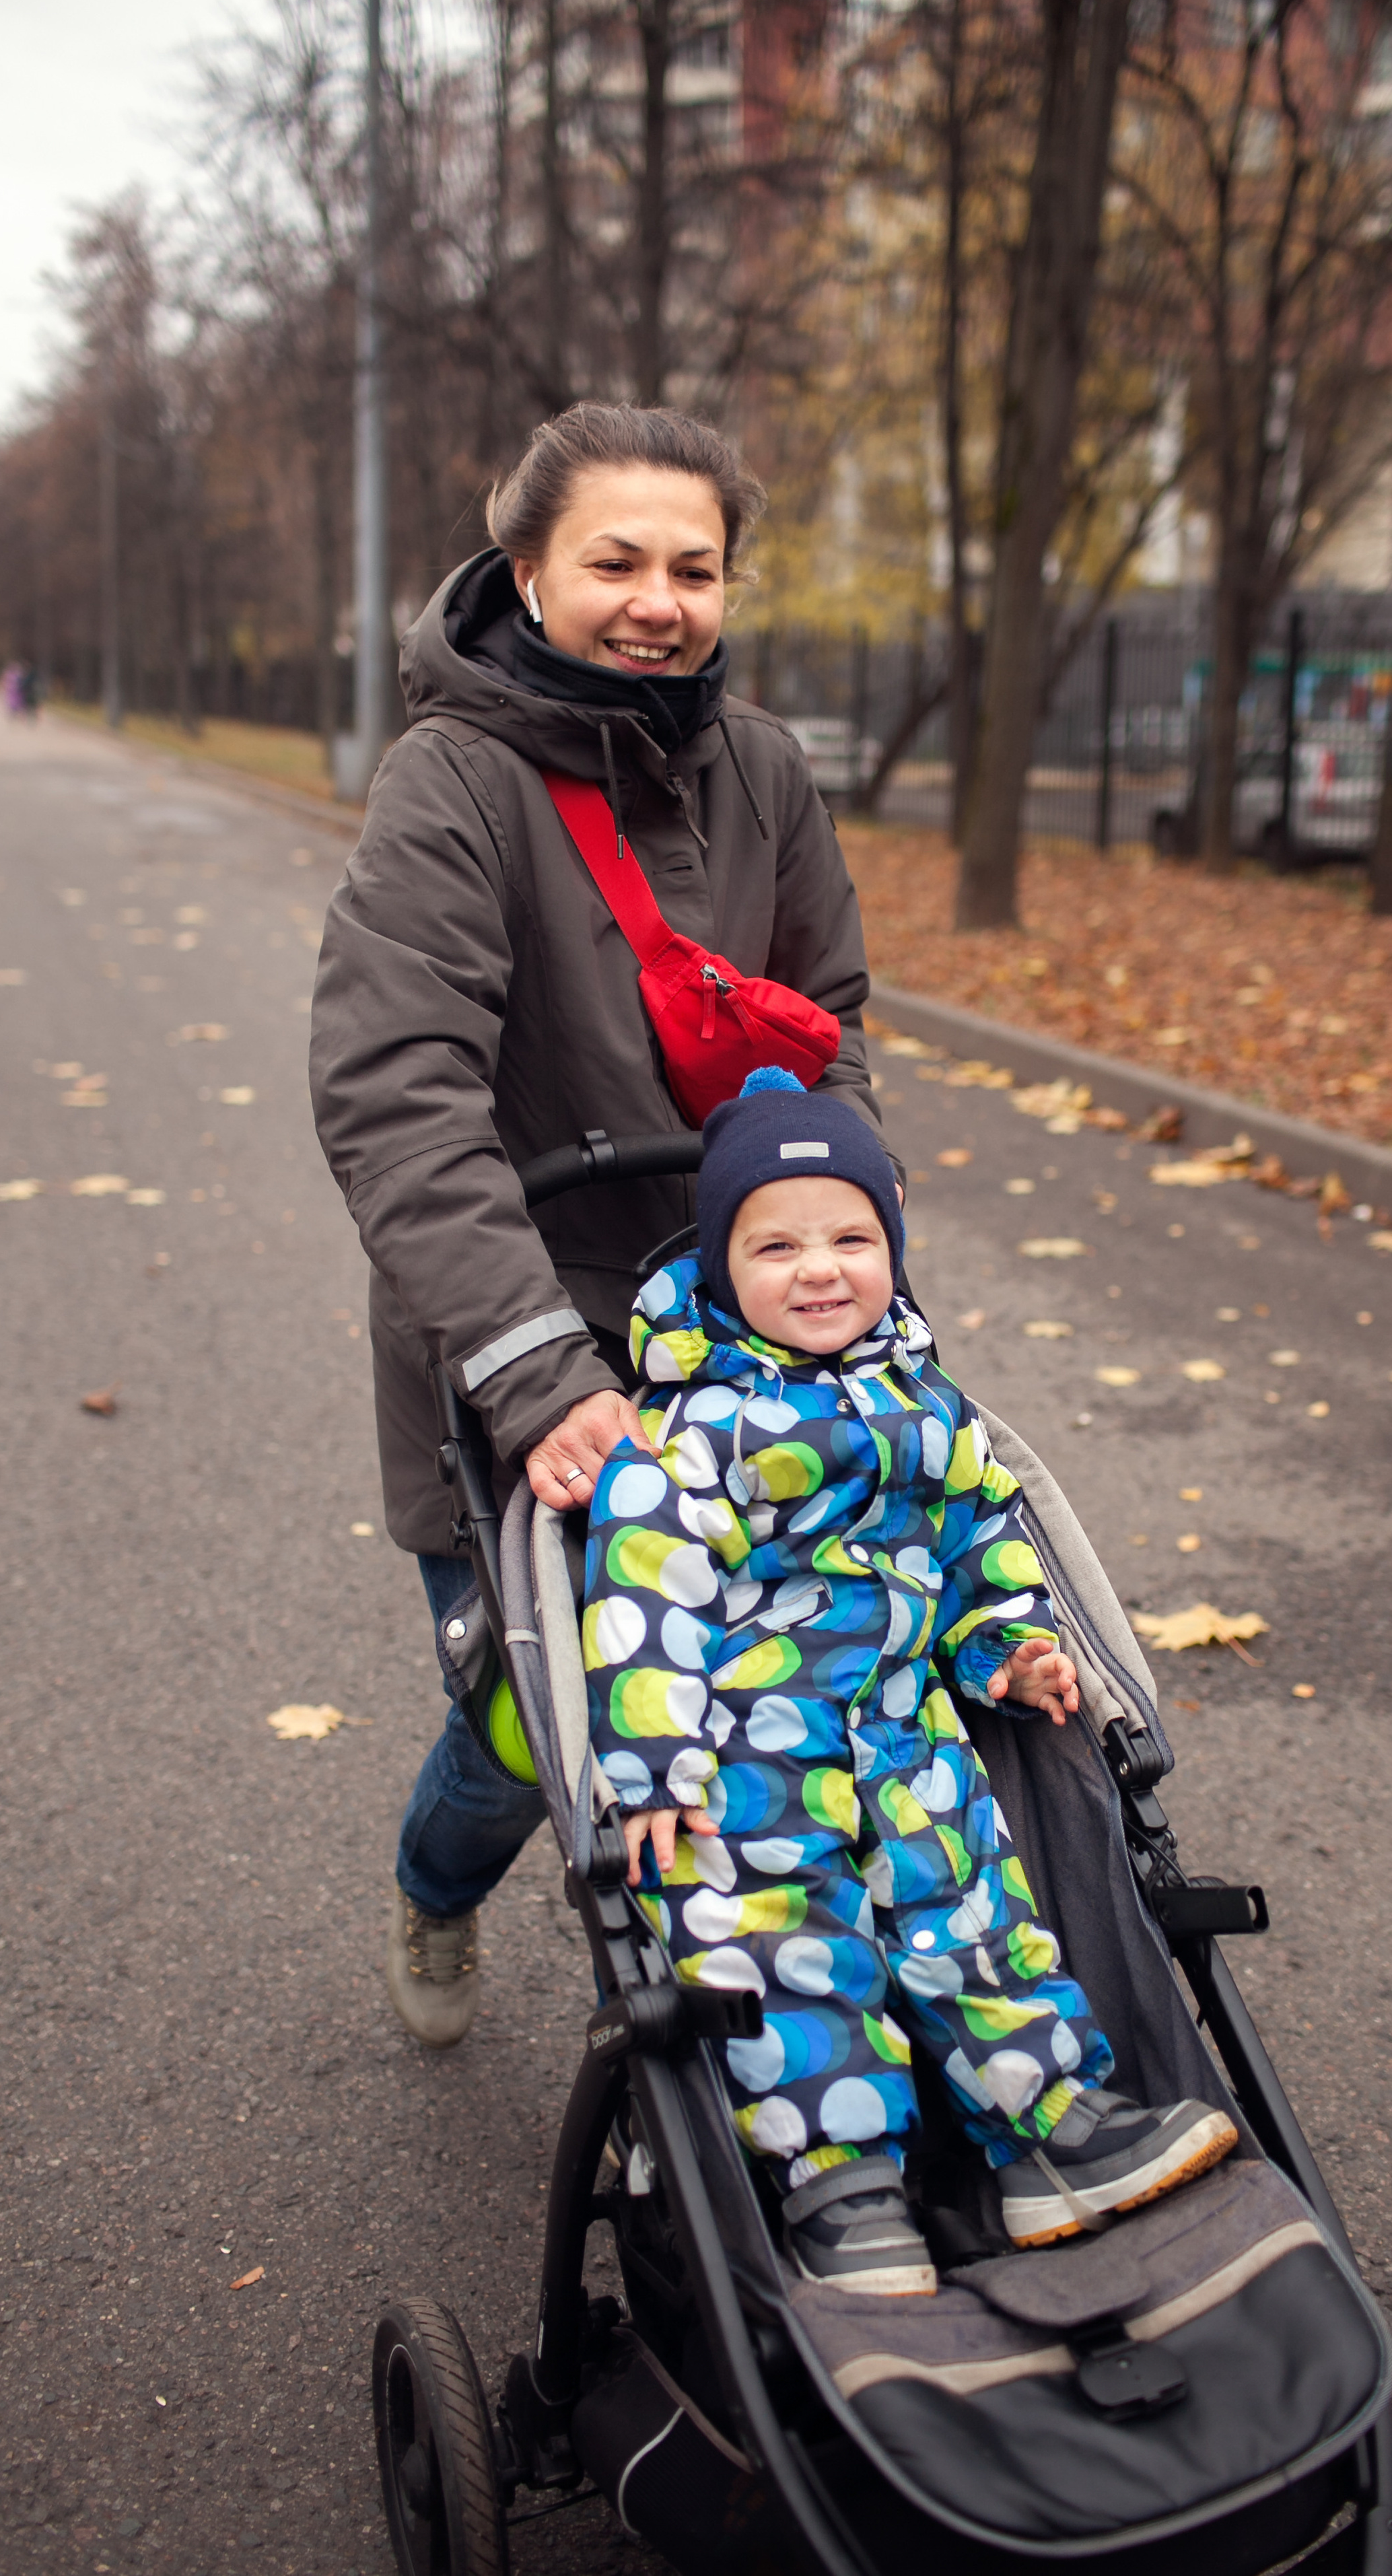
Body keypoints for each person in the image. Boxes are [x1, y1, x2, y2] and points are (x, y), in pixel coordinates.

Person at [310, 403, 886, 2048]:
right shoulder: (453, 785)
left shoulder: (761, 770)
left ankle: (767, 2007)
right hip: (520, 1327)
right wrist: (535, 1372)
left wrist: (837, 1253)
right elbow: (394, 1092)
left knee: (788, 1674)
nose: (658, 600)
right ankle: (434, 1890)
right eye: (615, 561)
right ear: (526, 572)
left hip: (740, 1327)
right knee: (524, 1726)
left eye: (692, 568)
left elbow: (825, 1030)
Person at [581, 1070, 1238, 2295]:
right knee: (791, 1949)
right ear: (721, 1273)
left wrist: (1006, 1648)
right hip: (746, 1758)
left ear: (893, 1247)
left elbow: (982, 1541)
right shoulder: (688, 1435)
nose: (820, 1269)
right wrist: (655, 1765)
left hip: (904, 1728)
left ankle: (1049, 2130)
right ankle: (840, 2184)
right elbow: (642, 1600)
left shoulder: (928, 1409)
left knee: (978, 1915)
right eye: (775, 1245)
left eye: (853, 1238)